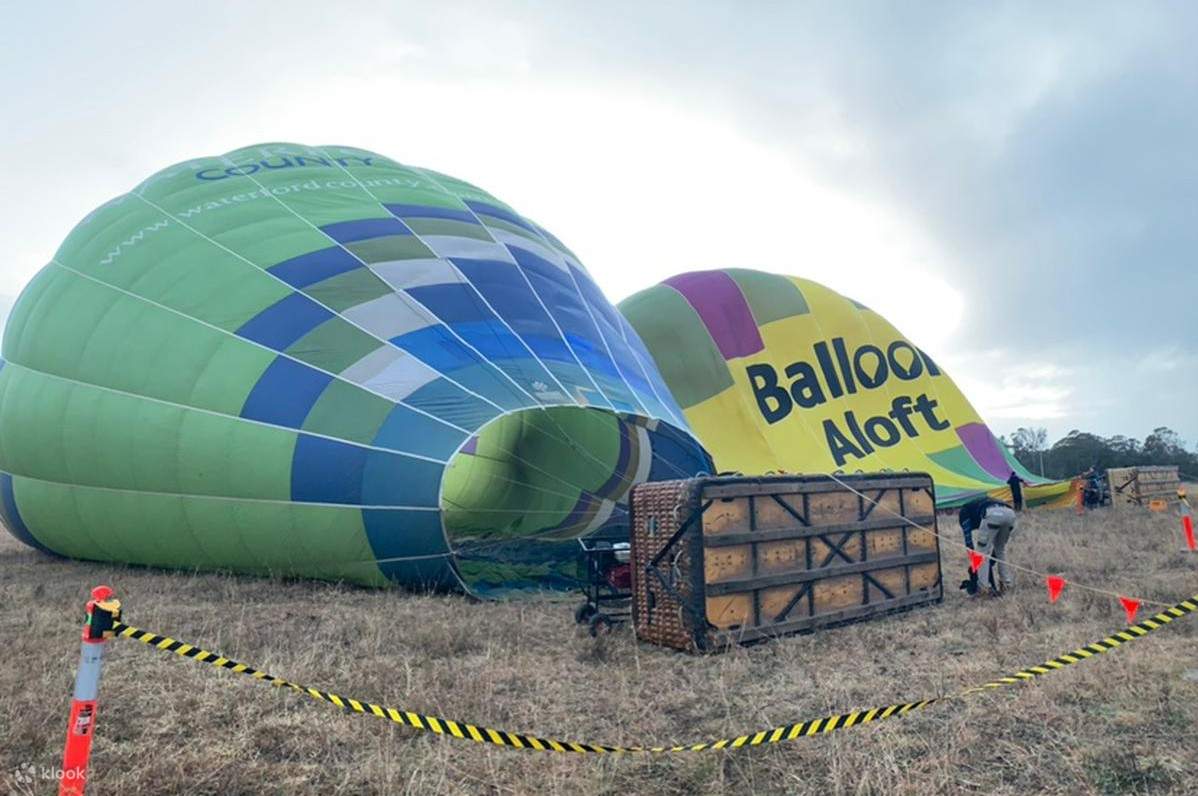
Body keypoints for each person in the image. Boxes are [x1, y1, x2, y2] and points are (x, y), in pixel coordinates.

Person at [957, 496, 1018, 596]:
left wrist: (975, 565)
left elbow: (969, 543)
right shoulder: (976, 507)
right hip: (1010, 514)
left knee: (981, 552)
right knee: (1000, 550)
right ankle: (1007, 584)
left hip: (992, 513)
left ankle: (983, 588)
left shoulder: (964, 514)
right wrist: (991, 562)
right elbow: (995, 552)